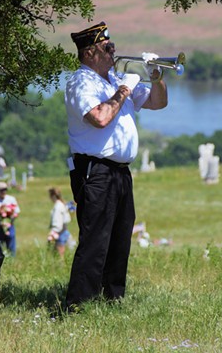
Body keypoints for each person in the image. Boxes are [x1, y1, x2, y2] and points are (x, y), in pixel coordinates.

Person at [64, 21, 168, 311]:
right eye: (106, 48)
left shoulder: (112, 78)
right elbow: (99, 117)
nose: (113, 51)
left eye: (112, 46)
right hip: (94, 170)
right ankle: (78, 305)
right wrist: (123, 90)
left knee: (120, 238)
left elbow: (158, 104)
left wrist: (155, 76)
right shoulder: (80, 82)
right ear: (89, 53)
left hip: (120, 172)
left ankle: (111, 300)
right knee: (95, 239)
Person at [47, 187, 71, 258]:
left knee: (59, 256)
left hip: (59, 232)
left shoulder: (58, 207)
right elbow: (67, 219)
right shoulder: (61, 204)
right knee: (59, 255)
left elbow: (57, 222)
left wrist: (53, 233)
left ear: (53, 196)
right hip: (63, 230)